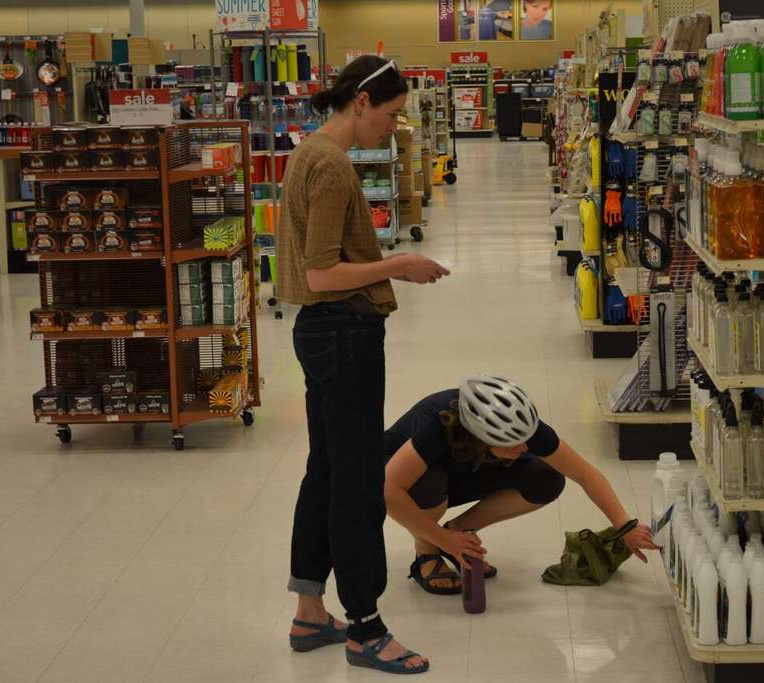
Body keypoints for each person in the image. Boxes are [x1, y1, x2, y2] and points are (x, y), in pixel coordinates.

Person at [276, 55, 449, 675]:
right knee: (356, 483)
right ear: (361, 104)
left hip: (322, 334)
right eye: (392, 115)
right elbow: (323, 273)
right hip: (343, 332)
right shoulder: (329, 166)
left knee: (324, 470)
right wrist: (398, 265)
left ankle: (309, 612)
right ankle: (366, 629)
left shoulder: (307, 153)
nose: (394, 128)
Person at [383, 376, 659, 594]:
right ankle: (427, 552)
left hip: (466, 468)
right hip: (406, 481)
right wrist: (439, 540)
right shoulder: (437, 426)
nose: (525, 446)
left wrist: (625, 526)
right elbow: (389, 489)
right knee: (430, 482)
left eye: (526, 437)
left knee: (546, 478)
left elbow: (584, 473)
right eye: (514, 443)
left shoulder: (521, 429)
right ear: (483, 435)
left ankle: (458, 532)